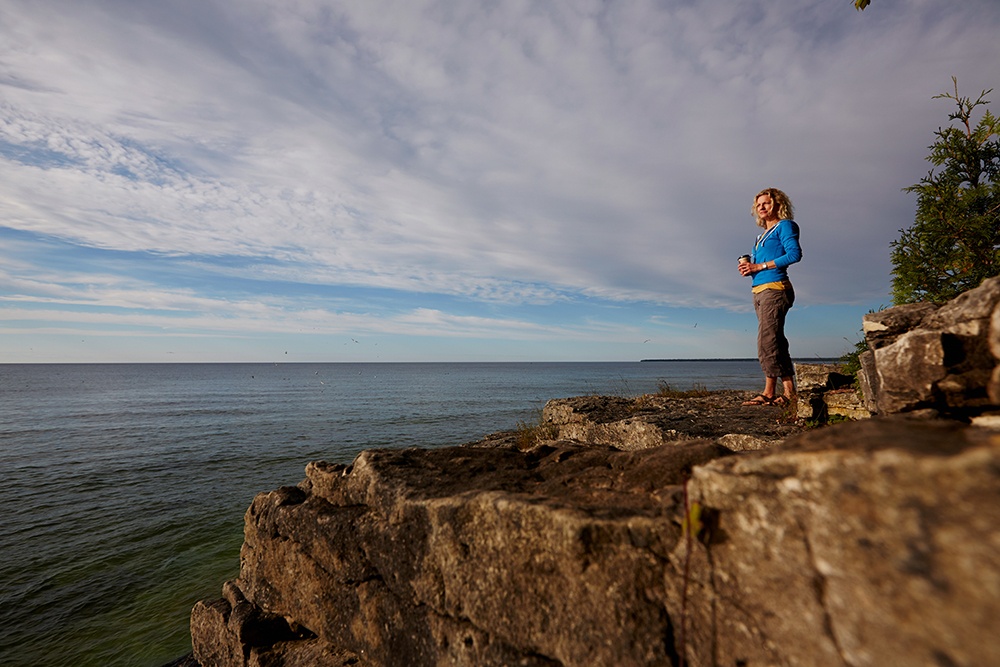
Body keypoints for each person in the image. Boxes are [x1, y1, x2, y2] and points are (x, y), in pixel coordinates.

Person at [738, 188, 802, 407]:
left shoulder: (785, 226)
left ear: (777, 204)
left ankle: (768, 392)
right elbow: (760, 264)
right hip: (759, 290)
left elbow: (794, 254)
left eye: (766, 203)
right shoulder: (760, 235)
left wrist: (760, 265)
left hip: (775, 289)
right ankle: (788, 392)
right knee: (775, 341)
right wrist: (750, 269)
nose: (761, 208)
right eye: (758, 205)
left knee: (767, 341)